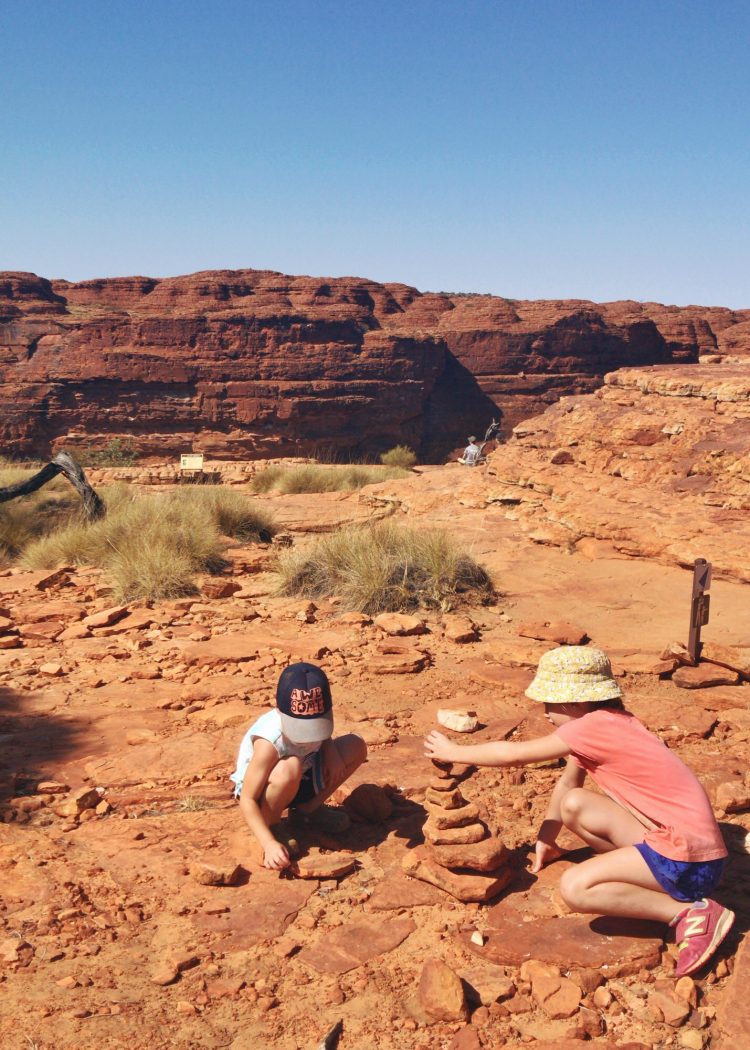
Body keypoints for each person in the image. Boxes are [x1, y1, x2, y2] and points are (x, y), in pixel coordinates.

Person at [424, 646, 733, 977]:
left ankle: (689, 913)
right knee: (575, 805)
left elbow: (513, 755)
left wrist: (455, 752)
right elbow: (569, 787)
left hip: (686, 861)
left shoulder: (591, 728)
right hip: (691, 849)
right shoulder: (613, 721)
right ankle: (641, 877)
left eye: (550, 703)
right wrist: (547, 838)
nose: (544, 712)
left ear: (574, 702)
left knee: (575, 887)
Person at [231, 661, 367, 870]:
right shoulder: (269, 741)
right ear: (279, 709)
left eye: (315, 726)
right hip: (266, 791)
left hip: (300, 776)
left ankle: (307, 811)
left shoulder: (317, 715)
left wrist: (330, 752)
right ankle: (272, 826)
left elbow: (324, 735)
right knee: (289, 767)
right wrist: (267, 844)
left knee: (355, 746)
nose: (309, 734)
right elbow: (247, 798)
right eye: (301, 728)